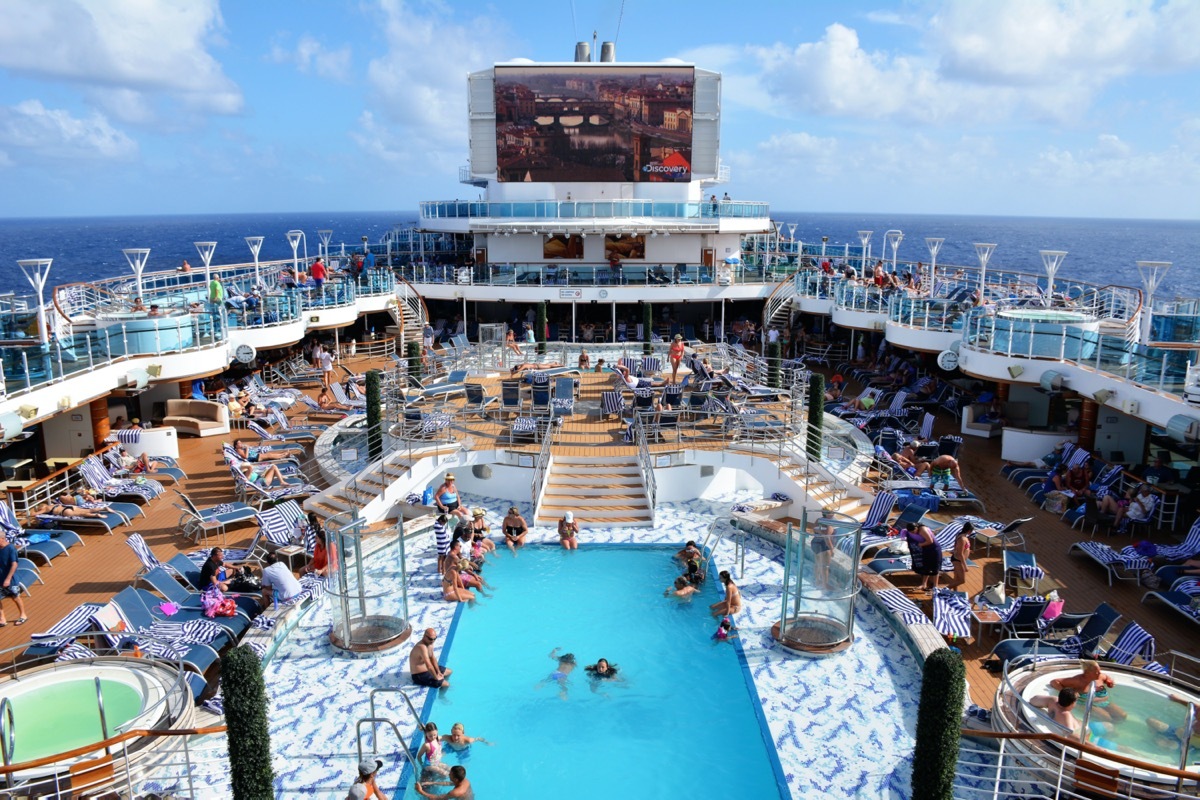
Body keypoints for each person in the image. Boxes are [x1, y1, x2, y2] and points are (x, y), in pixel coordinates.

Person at [1050, 660, 1128, 723]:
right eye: (1096, 672)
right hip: (1086, 704)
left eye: (1099, 670)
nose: (1100, 673)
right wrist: (1069, 692)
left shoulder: (1100, 677)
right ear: (1087, 673)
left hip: (1104, 702)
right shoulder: (1077, 680)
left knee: (1122, 715)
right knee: (1107, 718)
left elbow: (1106, 677)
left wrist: (1109, 681)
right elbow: (1054, 682)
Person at [905, 521, 943, 593]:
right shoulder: (914, 530)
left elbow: (930, 541)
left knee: (935, 568)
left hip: (934, 549)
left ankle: (935, 586)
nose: (913, 533)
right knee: (926, 566)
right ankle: (924, 584)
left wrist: (919, 545)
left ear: (916, 528)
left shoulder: (923, 529)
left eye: (913, 531)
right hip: (926, 549)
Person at [0, 531, 27, 626]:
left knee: (15, 597)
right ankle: (2, 618)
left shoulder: (10, 548)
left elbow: (14, 564)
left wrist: (8, 579)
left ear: (2, 539)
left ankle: (23, 615)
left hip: (10, 578)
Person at [944, 522, 974, 590]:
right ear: (969, 531)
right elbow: (960, 554)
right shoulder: (962, 539)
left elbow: (959, 548)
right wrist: (965, 565)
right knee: (962, 580)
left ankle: (955, 592)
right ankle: (944, 589)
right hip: (958, 560)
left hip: (958, 559)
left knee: (956, 579)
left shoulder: (962, 536)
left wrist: (968, 550)